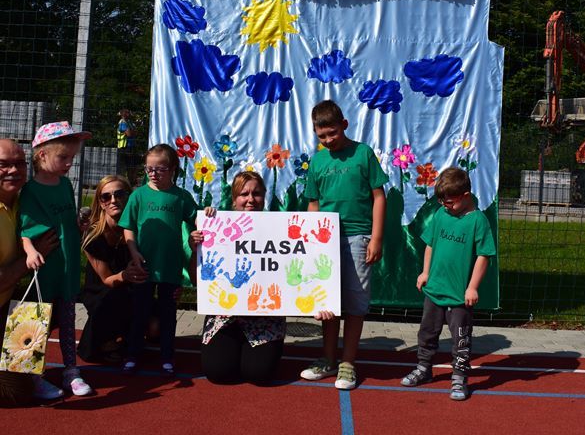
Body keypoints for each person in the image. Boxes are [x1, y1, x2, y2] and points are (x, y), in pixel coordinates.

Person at [299, 100, 388, 390]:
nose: (328, 140)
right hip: (324, 241)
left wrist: (376, 238)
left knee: (354, 303)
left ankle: (347, 362)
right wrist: (312, 242)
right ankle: (327, 359)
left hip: (358, 237)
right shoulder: (317, 161)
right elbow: (313, 202)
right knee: (328, 302)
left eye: (333, 133)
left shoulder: (363, 153)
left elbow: (379, 196)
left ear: (344, 125)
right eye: (321, 136)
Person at [401, 167, 496, 401]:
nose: (446, 206)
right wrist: (425, 272)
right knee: (427, 333)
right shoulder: (441, 214)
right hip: (435, 290)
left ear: (466, 196)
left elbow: (484, 256)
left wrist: (472, 287)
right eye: (442, 202)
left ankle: (459, 376)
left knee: (460, 338)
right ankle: (424, 368)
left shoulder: (478, 220)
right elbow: (430, 244)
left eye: (450, 202)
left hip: (459, 295)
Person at [18, 122, 94, 397]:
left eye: (71, 157)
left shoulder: (64, 184)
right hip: (45, 270)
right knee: (40, 322)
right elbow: (24, 229)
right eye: (63, 157)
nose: (69, 163)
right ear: (42, 155)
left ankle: (71, 370)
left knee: (68, 320)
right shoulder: (30, 190)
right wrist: (30, 250)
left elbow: (66, 222)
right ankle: (35, 376)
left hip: (68, 267)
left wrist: (78, 225)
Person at [189, 171, 286, 384]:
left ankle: (264, 349)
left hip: (265, 320)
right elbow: (197, 281)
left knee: (259, 375)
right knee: (218, 373)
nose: (251, 199)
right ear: (234, 199)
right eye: (244, 194)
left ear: (264, 197)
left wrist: (317, 303)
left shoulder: (279, 228)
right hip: (225, 318)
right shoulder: (218, 227)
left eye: (256, 193)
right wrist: (197, 249)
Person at [119, 143, 198, 375]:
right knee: (140, 312)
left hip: (170, 266)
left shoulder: (181, 197)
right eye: (149, 169)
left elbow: (198, 220)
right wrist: (133, 252)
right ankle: (133, 353)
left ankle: (167, 356)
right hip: (143, 266)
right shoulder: (138, 195)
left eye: (160, 169)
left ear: (172, 169)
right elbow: (128, 227)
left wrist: (208, 217)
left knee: (168, 314)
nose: (153, 173)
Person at [0, 139, 60, 405]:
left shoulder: (22, 202)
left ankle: (23, 371)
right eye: (4, 164)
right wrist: (30, 258)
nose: (14, 170)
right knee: (16, 392)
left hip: (6, 305)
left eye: (19, 163)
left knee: (47, 302)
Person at [78, 175, 150, 363]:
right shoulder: (93, 236)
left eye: (119, 194)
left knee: (155, 327)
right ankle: (108, 340)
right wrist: (126, 275)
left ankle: (124, 335)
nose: (113, 200)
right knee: (116, 298)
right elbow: (107, 280)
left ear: (128, 197)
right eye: (106, 196)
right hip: (102, 290)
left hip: (131, 286)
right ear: (100, 203)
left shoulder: (139, 229)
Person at [116, 108, 137, 185]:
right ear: (123, 114)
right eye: (127, 113)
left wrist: (131, 131)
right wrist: (131, 131)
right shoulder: (123, 123)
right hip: (124, 147)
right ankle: (124, 182)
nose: (129, 114)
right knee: (125, 166)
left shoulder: (129, 122)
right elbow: (129, 134)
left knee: (131, 165)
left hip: (131, 146)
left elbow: (135, 132)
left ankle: (130, 182)